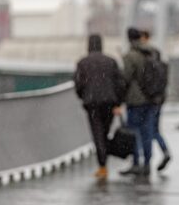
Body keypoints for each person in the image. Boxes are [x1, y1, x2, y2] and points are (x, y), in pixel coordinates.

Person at [73, 34, 125, 180]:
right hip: (109, 102)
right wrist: (118, 103)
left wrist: (83, 96)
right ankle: (104, 159)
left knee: (97, 133)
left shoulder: (83, 63)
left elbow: (78, 84)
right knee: (105, 131)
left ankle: (102, 166)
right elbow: (120, 83)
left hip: (92, 103)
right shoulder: (111, 61)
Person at [118, 28, 156, 176]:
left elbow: (125, 79)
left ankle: (136, 163)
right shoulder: (152, 52)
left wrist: (119, 98)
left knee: (134, 132)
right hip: (151, 98)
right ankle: (147, 163)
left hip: (135, 100)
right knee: (148, 132)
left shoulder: (130, 56)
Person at [140, 30, 171, 171]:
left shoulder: (146, 58)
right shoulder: (161, 62)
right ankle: (164, 151)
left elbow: (145, 80)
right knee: (155, 129)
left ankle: (147, 161)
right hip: (159, 99)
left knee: (148, 130)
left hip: (150, 100)